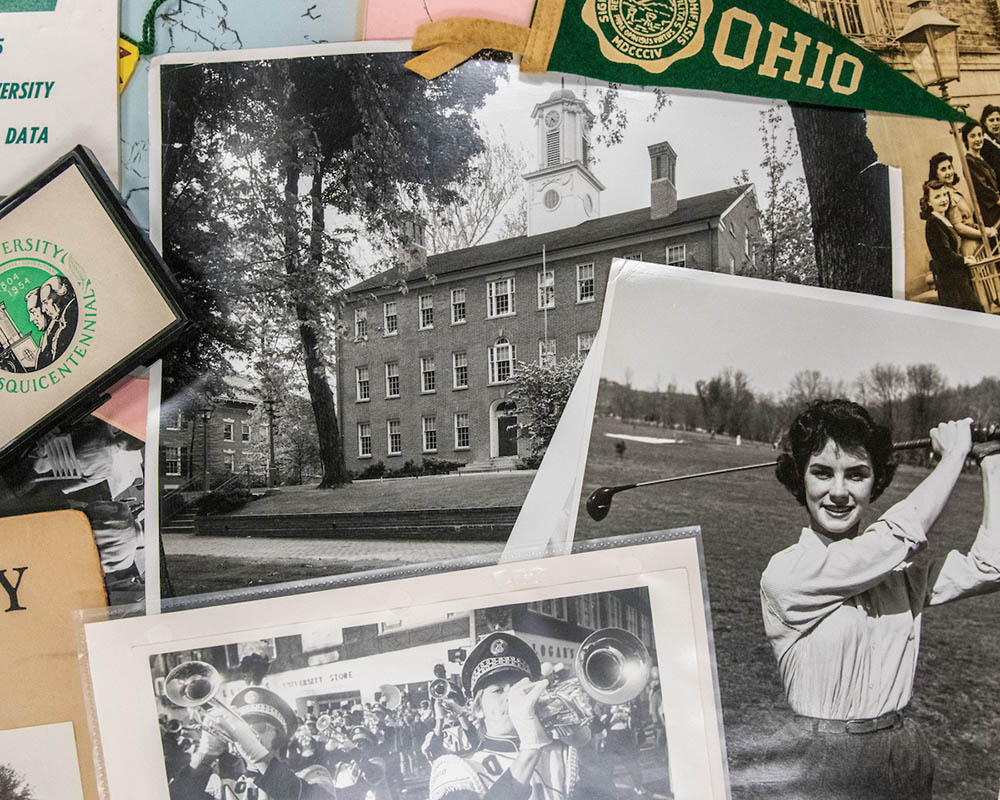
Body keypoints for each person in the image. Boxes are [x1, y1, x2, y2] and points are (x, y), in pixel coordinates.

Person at [753, 399, 1000, 799]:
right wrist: (955, 455)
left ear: (875, 482)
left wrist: (990, 458)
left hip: (903, 753)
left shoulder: (897, 574)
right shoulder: (786, 574)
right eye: (822, 472)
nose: (838, 492)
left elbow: (991, 567)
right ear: (801, 478)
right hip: (822, 762)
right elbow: (892, 539)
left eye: (856, 474)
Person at [428, 632, 615, 800]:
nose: (511, 696)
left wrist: (582, 742)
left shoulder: (563, 753)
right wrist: (530, 749)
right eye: (498, 690)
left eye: (519, 688)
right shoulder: (461, 769)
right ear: (478, 709)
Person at [168, 685, 335, 800]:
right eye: (243, 730)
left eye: (260, 728)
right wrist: (204, 757)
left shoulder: (312, 773)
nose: (248, 736)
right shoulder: (226, 784)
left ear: (279, 735)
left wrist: (258, 756)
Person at [920, 179, 983, 312]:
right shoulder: (933, 223)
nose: (943, 199)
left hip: (957, 279)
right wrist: (964, 260)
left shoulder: (943, 220)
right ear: (929, 202)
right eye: (937, 196)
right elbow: (944, 255)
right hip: (951, 283)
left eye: (944, 195)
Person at [927, 152, 997, 257]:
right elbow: (958, 227)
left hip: (976, 240)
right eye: (943, 169)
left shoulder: (952, 190)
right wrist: (984, 233)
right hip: (969, 245)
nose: (949, 172)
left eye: (950, 167)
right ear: (936, 174)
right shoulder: (946, 195)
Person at [962, 121, 1000, 228]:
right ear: (966, 139)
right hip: (990, 212)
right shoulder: (969, 161)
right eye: (973, 136)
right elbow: (984, 189)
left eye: (980, 135)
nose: (978, 139)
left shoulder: (981, 159)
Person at [980, 104, 1000, 178]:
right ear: (984, 122)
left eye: (998, 119)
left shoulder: (997, 140)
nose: (996, 123)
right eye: (991, 120)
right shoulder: (985, 144)